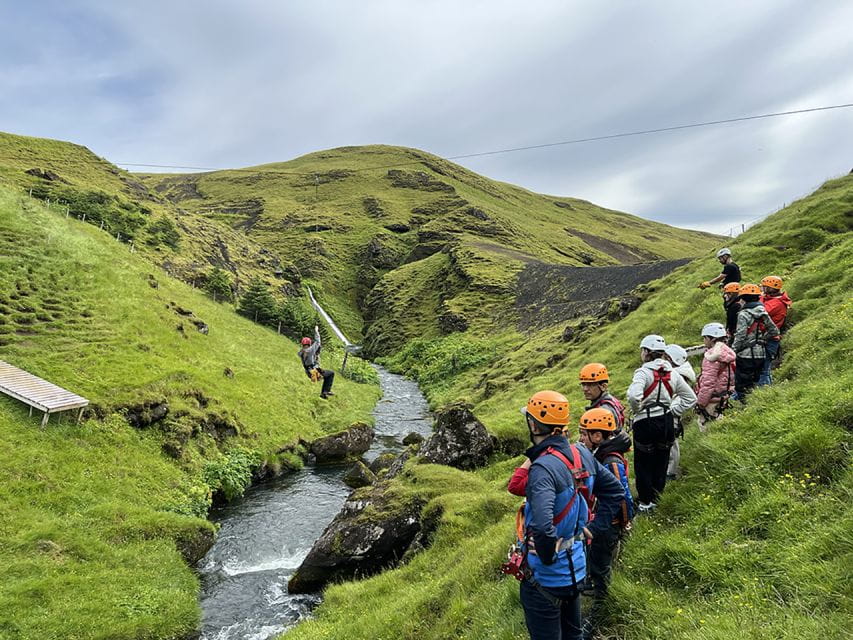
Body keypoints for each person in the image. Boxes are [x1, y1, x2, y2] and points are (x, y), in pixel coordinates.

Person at [510, 390, 624, 640]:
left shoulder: (542, 470)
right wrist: (593, 529)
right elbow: (616, 492)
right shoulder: (581, 453)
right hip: (577, 568)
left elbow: (542, 527)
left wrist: (548, 557)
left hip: (546, 577)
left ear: (533, 423)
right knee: (573, 635)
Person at [576, 408, 633, 636]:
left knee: (601, 568)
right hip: (605, 520)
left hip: (608, 523)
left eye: (583, 434)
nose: (580, 439)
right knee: (597, 563)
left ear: (597, 436)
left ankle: (600, 610)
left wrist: (620, 523)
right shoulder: (603, 454)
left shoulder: (609, 461)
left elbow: (621, 495)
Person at [626, 335, 696, 513]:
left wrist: (637, 409)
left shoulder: (642, 372)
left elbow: (634, 396)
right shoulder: (672, 372)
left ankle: (645, 502)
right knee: (661, 460)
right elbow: (690, 398)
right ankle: (657, 498)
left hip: (645, 421)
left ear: (647, 352)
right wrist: (673, 411)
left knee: (643, 463)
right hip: (666, 421)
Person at [731, 284, 779, 401]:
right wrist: (762, 340)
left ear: (744, 298)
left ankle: (744, 406)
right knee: (756, 381)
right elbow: (774, 330)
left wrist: (732, 350)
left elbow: (741, 336)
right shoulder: (763, 312)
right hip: (760, 353)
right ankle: (757, 403)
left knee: (742, 384)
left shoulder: (743, 314)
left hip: (745, 355)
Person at [663, 344, 696, 480]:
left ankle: (670, 474)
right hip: (671, 415)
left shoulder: (679, 376)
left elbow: (684, 399)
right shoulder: (681, 373)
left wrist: (671, 411)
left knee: (671, 445)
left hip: (671, 416)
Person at [694, 322, 736, 432]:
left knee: (705, 425)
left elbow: (708, 383)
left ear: (712, 339)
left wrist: (701, 403)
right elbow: (731, 375)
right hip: (723, 395)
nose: (704, 341)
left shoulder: (711, 357)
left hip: (712, 397)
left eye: (705, 338)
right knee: (719, 420)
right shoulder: (727, 353)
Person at [758, 276, 792, 386]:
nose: (763, 289)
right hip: (768, 337)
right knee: (764, 367)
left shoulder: (776, 303)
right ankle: (765, 387)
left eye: (765, 287)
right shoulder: (771, 299)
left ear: (771, 288)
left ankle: (764, 390)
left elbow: (760, 312)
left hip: (769, 338)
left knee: (764, 367)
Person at [578, 363, 626, 429]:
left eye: (590, 385)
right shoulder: (611, 401)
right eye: (583, 384)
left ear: (603, 386)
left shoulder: (603, 411)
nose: (585, 389)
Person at [298, 325, 335, 398]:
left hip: (309, 372)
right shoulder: (310, 350)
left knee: (327, 376)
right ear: (309, 344)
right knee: (331, 373)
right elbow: (318, 342)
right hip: (315, 371)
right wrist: (316, 331)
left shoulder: (301, 352)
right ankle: (325, 391)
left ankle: (324, 394)